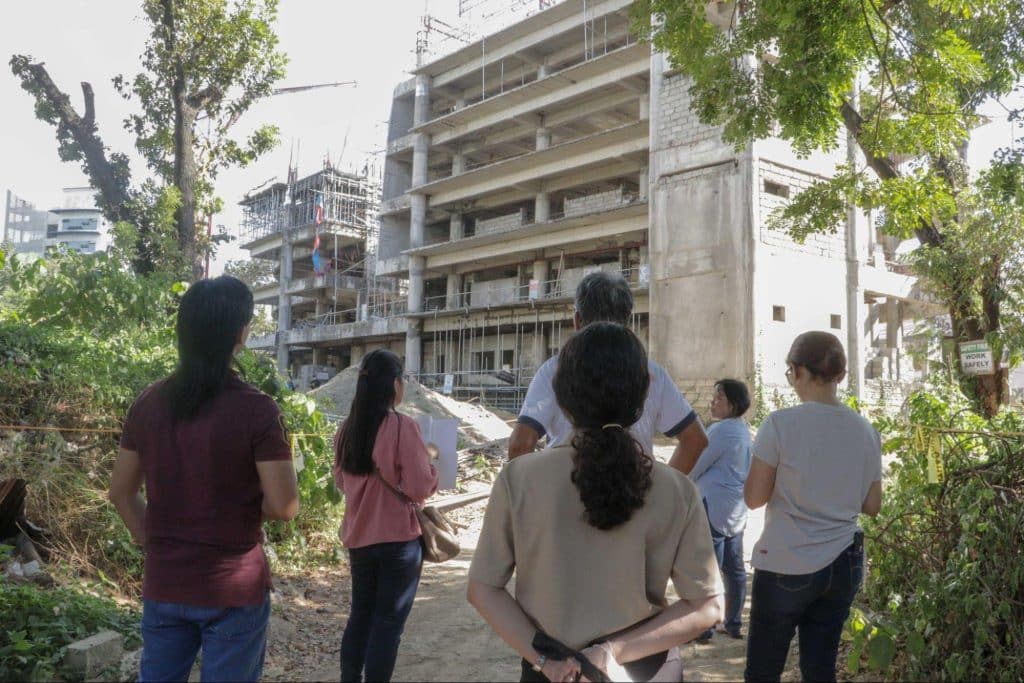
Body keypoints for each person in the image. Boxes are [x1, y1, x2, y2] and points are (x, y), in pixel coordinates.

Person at [469, 322, 723, 682]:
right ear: (646, 390)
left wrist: (546, 660)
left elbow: (482, 589)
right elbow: (707, 606)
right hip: (643, 670)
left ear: (561, 393)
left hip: (551, 672)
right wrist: (610, 652)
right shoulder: (677, 490)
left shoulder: (518, 479)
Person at [109, 276, 298, 683]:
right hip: (234, 590)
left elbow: (121, 492)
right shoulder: (258, 410)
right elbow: (284, 506)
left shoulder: (148, 403)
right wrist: (241, 505)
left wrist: (153, 542)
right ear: (241, 335)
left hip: (165, 582)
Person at [743, 332, 883, 682]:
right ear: (841, 376)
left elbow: (753, 498)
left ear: (797, 371)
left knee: (763, 672)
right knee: (819, 670)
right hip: (844, 563)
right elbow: (873, 505)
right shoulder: (866, 430)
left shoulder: (779, 424)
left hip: (786, 563)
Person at [508, 271, 708, 470]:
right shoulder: (651, 372)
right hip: (636, 493)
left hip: (566, 493)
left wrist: (535, 493)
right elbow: (695, 440)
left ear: (577, 320)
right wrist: (659, 490)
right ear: (628, 319)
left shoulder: (554, 369)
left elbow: (520, 445)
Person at [334, 349, 439, 683]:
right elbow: (421, 486)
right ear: (394, 384)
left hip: (359, 539)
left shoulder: (345, 430)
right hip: (398, 542)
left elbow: (341, 482)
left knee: (360, 617)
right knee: (387, 625)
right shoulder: (400, 425)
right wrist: (433, 468)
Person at [679, 379, 752, 643]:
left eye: (719, 397)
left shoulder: (721, 431)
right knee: (734, 569)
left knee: (708, 570)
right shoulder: (743, 430)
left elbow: (695, 464)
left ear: (733, 404)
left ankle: (704, 627)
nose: (712, 401)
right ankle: (733, 623)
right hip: (735, 509)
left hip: (712, 507)